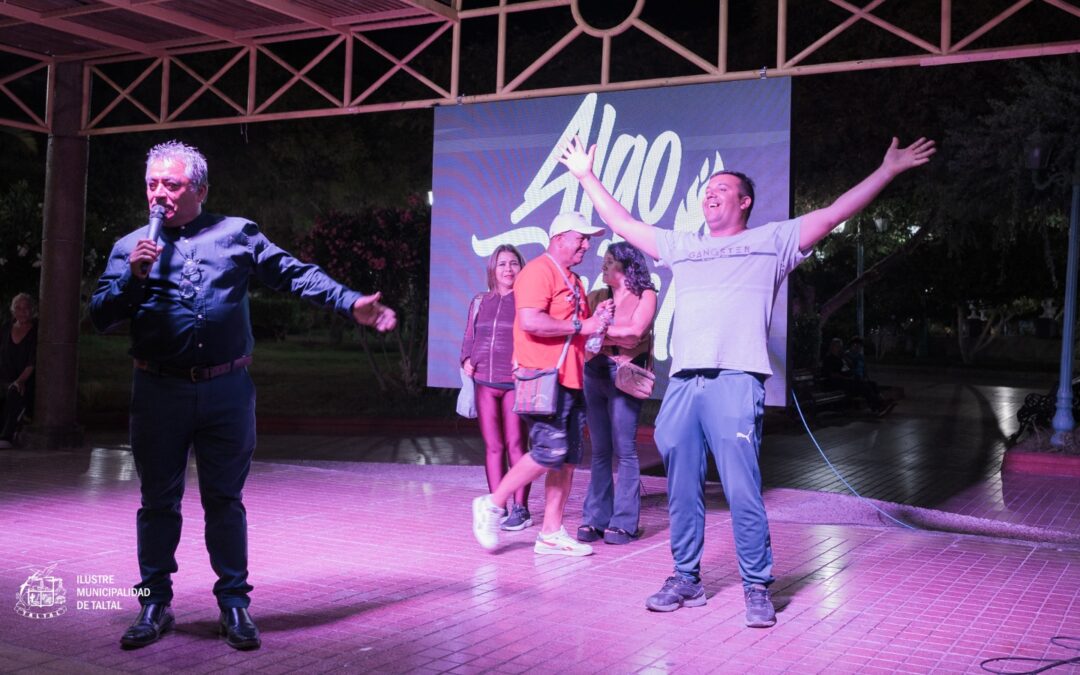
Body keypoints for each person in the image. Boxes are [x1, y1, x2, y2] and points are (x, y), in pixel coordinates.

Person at [561, 134, 935, 626]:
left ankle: (757, 585)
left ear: (744, 201)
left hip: (736, 381)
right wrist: (587, 175)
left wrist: (887, 170)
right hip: (684, 385)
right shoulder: (683, 246)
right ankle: (686, 578)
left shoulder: (772, 241)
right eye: (707, 188)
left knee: (741, 489)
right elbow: (622, 223)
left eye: (722, 187)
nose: (710, 193)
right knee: (681, 490)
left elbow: (835, 212)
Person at [89, 140, 396, 652]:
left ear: (200, 190)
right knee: (156, 502)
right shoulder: (129, 247)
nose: (159, 194)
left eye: (172, 184)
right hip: (158, 391)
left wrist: (350, 302)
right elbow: (100, 315)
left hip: (225, 391)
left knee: (224, 501)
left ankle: (234, 603)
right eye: (152, 184)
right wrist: (133, 278)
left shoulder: (236, 234)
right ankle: (153, 602)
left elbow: (295, 275)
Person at [471, 212, 612, 556]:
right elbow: (532, 321)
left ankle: (550, 532)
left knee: (567, 459)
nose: (586, 244)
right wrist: (584, 327)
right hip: (542, 378)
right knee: (549, 451)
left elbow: (578, 331)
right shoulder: (537, 271)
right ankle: (493, 503)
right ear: (559, 237)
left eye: (587, 239)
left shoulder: (575, 281)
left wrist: (598, 327)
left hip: (572, 379)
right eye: (580, 237)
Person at [577, 243, 657, 546]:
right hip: (594, 371)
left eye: (609, 262)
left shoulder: (646, 295)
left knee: (625, 448)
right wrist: (596, 325)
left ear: (625, 267)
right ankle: (595, 519)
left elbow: (635, 333)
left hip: (625, 374)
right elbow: (581, 330)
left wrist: (600, 329)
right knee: (599, 449)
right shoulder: (597, 296)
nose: (603, 266)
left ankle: (624, 522)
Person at [460, 244, 532, 530]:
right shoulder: (480, 301)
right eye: (502, 264)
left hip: (514, 383)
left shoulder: (526, 302)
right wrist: (466, 359)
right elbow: (469, 336)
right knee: (493, 447)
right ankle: (497, 506)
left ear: (521, 268)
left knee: (516, 445)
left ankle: (521, 509)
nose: (508, 269)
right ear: (493, 269)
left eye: (513, 263)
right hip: (484, 383)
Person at [0, 293, 36, 449]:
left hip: (24, 380)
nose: (22, 311)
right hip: (4, 377)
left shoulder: (37, 330)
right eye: (18, 308)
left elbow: (32, 362)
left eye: (26, 308)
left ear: (33, 310)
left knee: (14, 391)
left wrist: (20, 380)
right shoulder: (6, 328)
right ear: (12, 310)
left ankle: (6, 436)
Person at [822, 337, 893, 416]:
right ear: (832, 347)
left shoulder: (840, 358)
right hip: (838, 382)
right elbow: (832, 374)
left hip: (848, 380)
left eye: (840, 346)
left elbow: (848, 367)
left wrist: (849, 368)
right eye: (836, 346)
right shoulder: (829, 359)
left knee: (871, 384)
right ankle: (878, 407)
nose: (839, 348)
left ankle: (882, 402)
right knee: (863, 386)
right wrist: (847, 377)